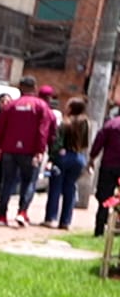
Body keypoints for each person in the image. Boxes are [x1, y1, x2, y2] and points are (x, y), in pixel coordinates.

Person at [0, 76, 58, 227]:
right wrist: (40, 150)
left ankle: (2, 215)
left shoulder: (10, 106)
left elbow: (0, 128)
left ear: (20, 87)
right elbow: (43, 130)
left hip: (9, 150)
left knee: (7, 182)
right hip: (30, 151)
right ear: (35, 88)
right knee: (29, 182)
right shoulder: (41, 106)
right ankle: (22, 212)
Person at [42, 97, 91, 230]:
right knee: (70, 188)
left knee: (55, 188)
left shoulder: (65, 123)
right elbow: (86, 143)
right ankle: (66, 221)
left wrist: (52, 158)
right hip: (78, 157)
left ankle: (51, 218)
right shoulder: (86, 123)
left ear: (71, 108)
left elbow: (57, 142)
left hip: (63, 157)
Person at [90, 100, 120, 236]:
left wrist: (92, 157)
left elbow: (99, 142)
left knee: (104, 198)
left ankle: (99, 229)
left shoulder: (110, 124)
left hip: (109, 166)